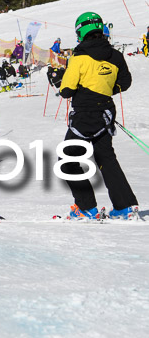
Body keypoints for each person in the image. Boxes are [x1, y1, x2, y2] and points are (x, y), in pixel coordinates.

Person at [59, 11, 138, 220]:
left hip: (85, 115)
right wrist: (104, 88)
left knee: (66, 161)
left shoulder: (79, 57)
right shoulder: (115, 55)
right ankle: (125, 205)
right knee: (106, 158)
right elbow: (125, 82)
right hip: (105, 113)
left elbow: (66, 90)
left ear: (80, 32)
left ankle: (86, 207)